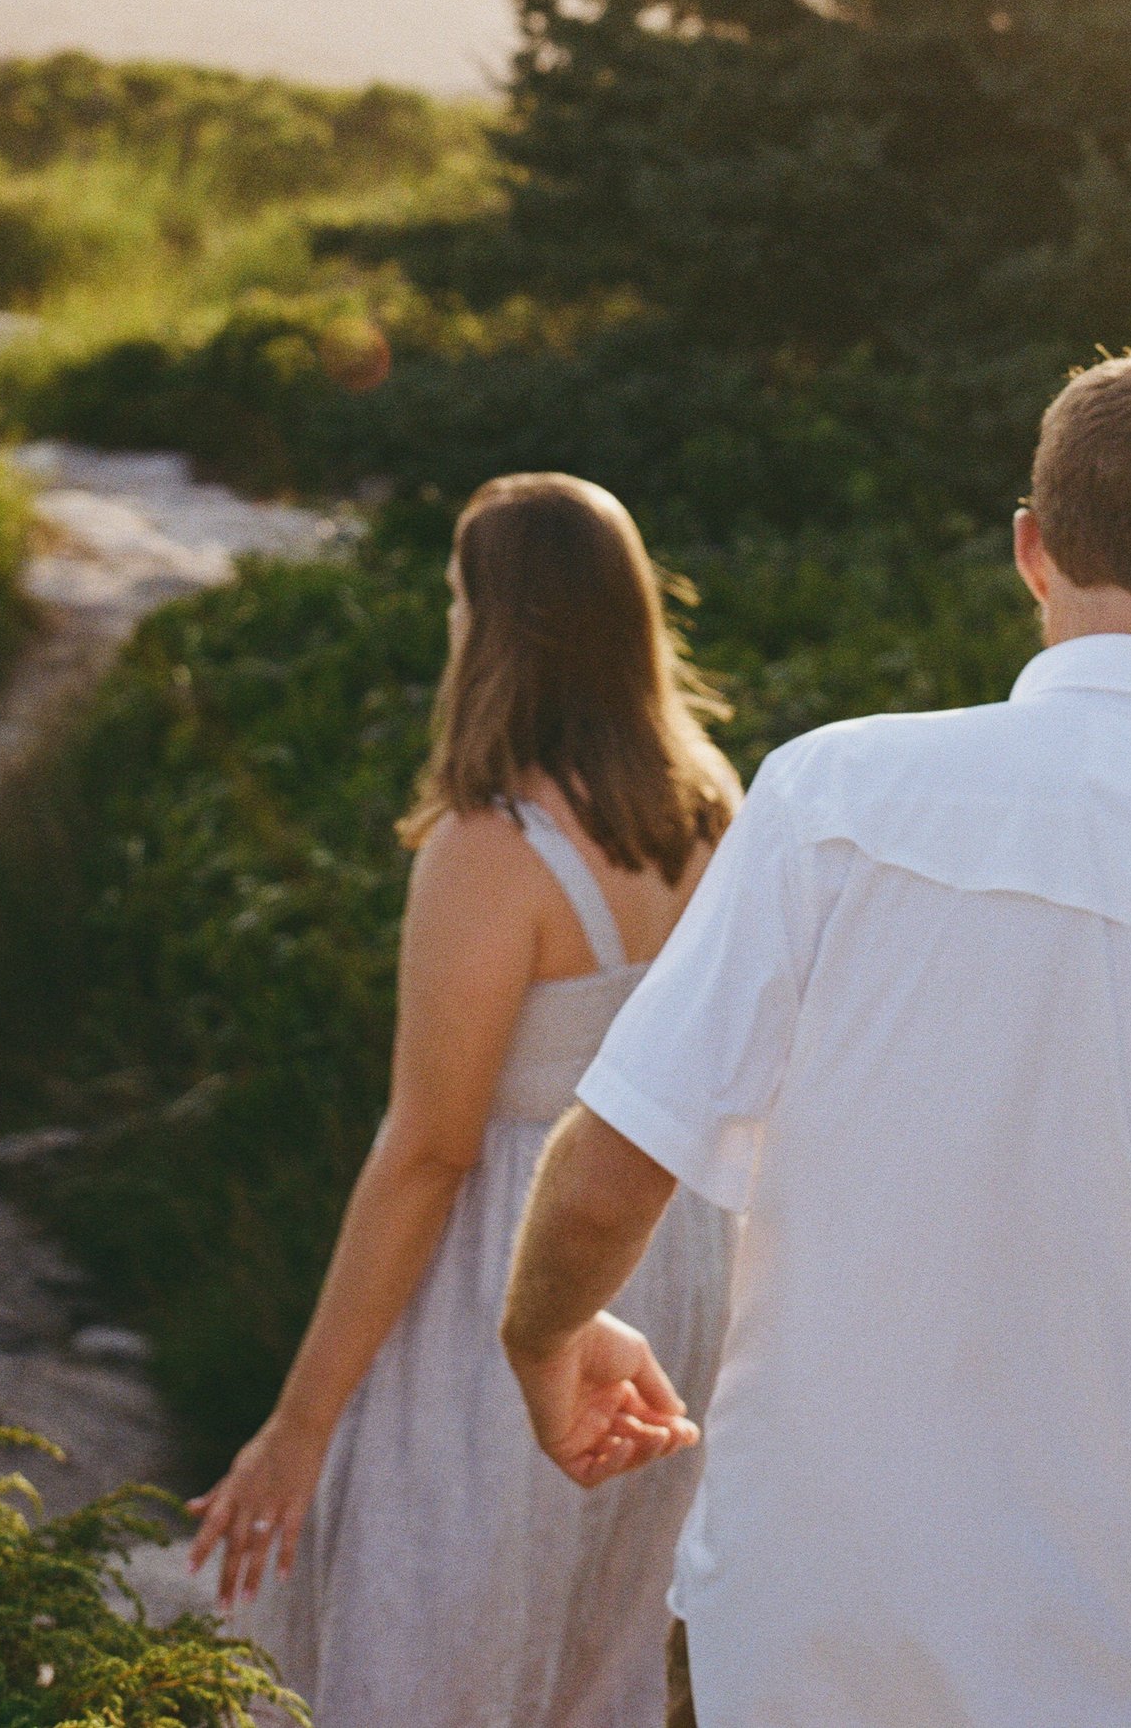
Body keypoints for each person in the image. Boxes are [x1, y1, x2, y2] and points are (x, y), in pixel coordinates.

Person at [501, 352, 1131, 1728]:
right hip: (1106, 1660)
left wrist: (542, 1336)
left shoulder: (834, 798)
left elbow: (617, 1160)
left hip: (793, 1622)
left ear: (1032, 546)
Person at [190, 471, 741, 1728]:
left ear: (493, 628)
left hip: (524, 1261)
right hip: (679, 1254)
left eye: (455, 600)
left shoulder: (490, 851)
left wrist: (298, 1424)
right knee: (595, 1645)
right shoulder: (713, 802)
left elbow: (430, 1151)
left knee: (435, 1632)